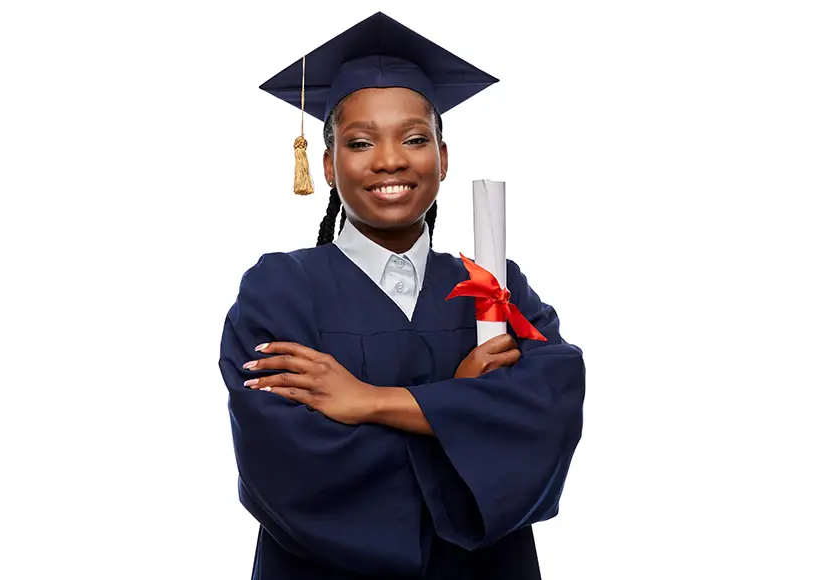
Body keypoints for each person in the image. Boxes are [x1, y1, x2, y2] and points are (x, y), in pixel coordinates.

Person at [218, 12, 585, 580]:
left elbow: (548, 418)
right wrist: (462, 414)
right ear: (328, 167)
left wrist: (370, 402)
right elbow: (285, 468)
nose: (389, 160)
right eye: (361, 142)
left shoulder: (492, 286)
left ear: (442, 158)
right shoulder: (279, 289)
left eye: (415, 139)